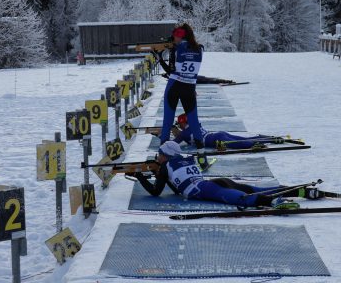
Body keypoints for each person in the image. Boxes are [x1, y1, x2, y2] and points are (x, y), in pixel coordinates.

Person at [134, 142, 320, 209]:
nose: (157, 157)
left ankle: (271, 202)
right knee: (254, 189)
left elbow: (156, 192)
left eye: (159, 154)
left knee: (242, 198)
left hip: (205, 189)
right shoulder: (186, 158)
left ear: (165, 155)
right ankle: (300, 191)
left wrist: (140, 177)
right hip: (213, 182)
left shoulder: (165, 166)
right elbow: (176, 186)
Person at [154, 23, 207, 168]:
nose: (174, 39)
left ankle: (162, 157)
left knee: (167, 122)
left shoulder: (176, 49)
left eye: (176, 36)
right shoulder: (200, 49)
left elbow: (171, 71)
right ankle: (202, 157)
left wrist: (159, 57)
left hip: (174, 86)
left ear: (180, 35)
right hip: (189, 88)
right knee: (194, 122)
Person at [172, 114, 278, 150]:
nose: (179, 126)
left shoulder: (183, 134)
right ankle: (267, 138)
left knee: (245, 144)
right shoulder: (195, 124)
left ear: (182, 123)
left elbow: (173, 143)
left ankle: (263, 142)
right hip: (219, 135)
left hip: (217, 139)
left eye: (179, 124)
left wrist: (164, 133)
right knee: (245, 140)